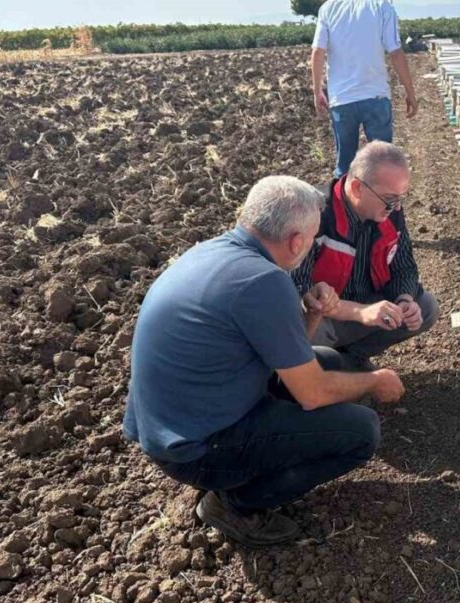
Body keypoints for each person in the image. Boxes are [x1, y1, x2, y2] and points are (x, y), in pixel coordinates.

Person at [122, 176, 405, 547]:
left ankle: (239, 474)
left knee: (329, 359)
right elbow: (312, 394)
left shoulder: (218, 253)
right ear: (296, 241)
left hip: (174, 423)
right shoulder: (263, 281)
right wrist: (375, 381)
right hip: (198, 447)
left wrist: (312, 314)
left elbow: (287, 357)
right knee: (361, 432)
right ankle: (235, 503)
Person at [292, 142, 438, 371]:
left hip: (364, 308)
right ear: (358, 188)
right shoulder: (315, 215)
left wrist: (405, 300)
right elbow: (298, 291)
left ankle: (351, 361)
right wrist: (359, 312)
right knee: (298, 331)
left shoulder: (390, 212)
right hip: (324, 318)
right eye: (390, 198)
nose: (397, 207)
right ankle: (309, 375)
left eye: (401, 198)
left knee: (426, 306)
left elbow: (405, 267)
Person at [311, 0, 418, 178]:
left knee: (345, 166)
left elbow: (317, 52)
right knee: (384, 164)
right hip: (376, 96)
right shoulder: (382, 5)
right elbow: (396, 52)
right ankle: (385, 205)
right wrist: (410, 92)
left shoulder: (328, 8)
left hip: (342, 99)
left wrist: (317, 91)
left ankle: (342, 204)